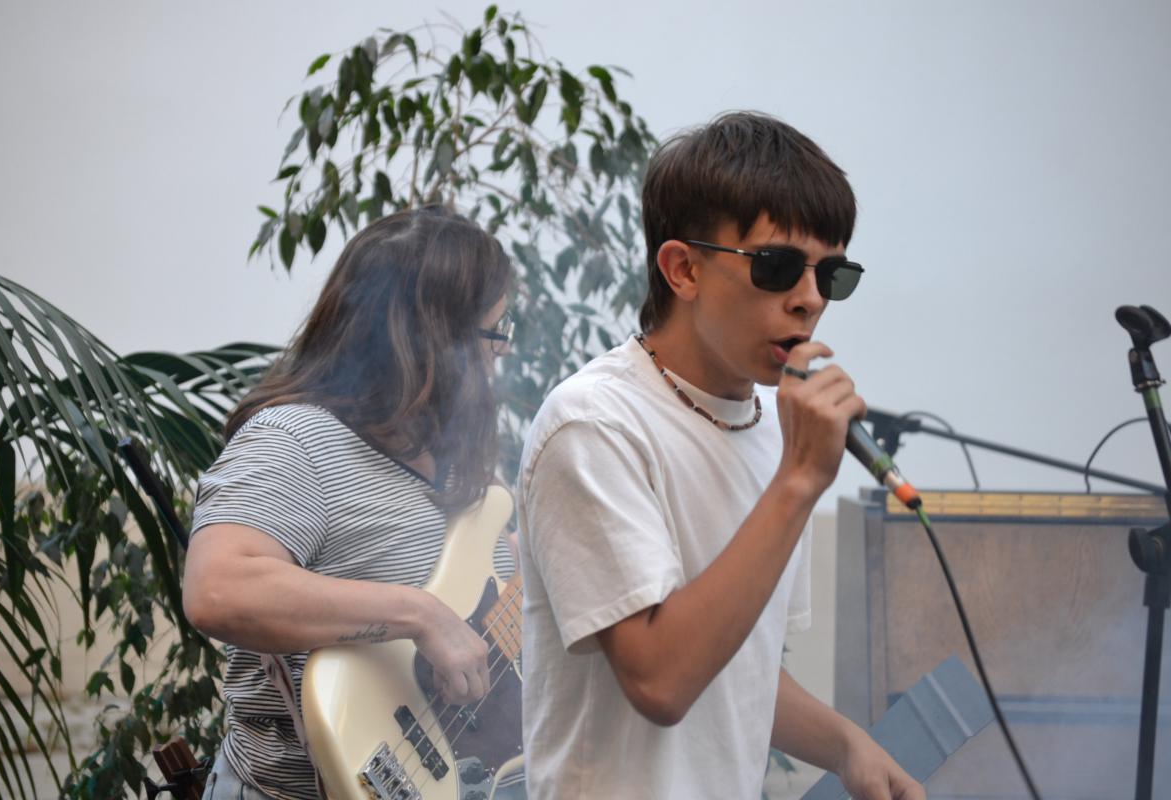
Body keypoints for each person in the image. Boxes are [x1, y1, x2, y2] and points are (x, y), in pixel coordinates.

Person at [517, 112, 925, 799]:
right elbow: (661, 680)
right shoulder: (593, 424)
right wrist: (799, 481)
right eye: (777, 266)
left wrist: (846, 745)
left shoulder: (773, 432)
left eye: (832, 274)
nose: (809, 300)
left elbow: (737, 669)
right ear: (683, 269)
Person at [182, 206, 515, 799]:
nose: (501, 354)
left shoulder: (457, 465)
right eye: (494, 332)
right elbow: (218, 589)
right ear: (436, 341)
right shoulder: (295, 439)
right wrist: (421, 615)